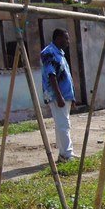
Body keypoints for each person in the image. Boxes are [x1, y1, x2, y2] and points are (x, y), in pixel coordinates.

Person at [41, 28, 76, 163]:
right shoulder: (49, 53)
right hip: (57, 96)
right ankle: (68, 154)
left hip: (65, 95)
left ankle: (63, 153)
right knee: (64, 124)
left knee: (62, 124)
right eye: (65, 38)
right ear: (57, 38)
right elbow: (51, 76)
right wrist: (59, 96)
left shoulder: (60, 53)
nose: (68, 41)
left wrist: (71, 97)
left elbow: (66, 75)